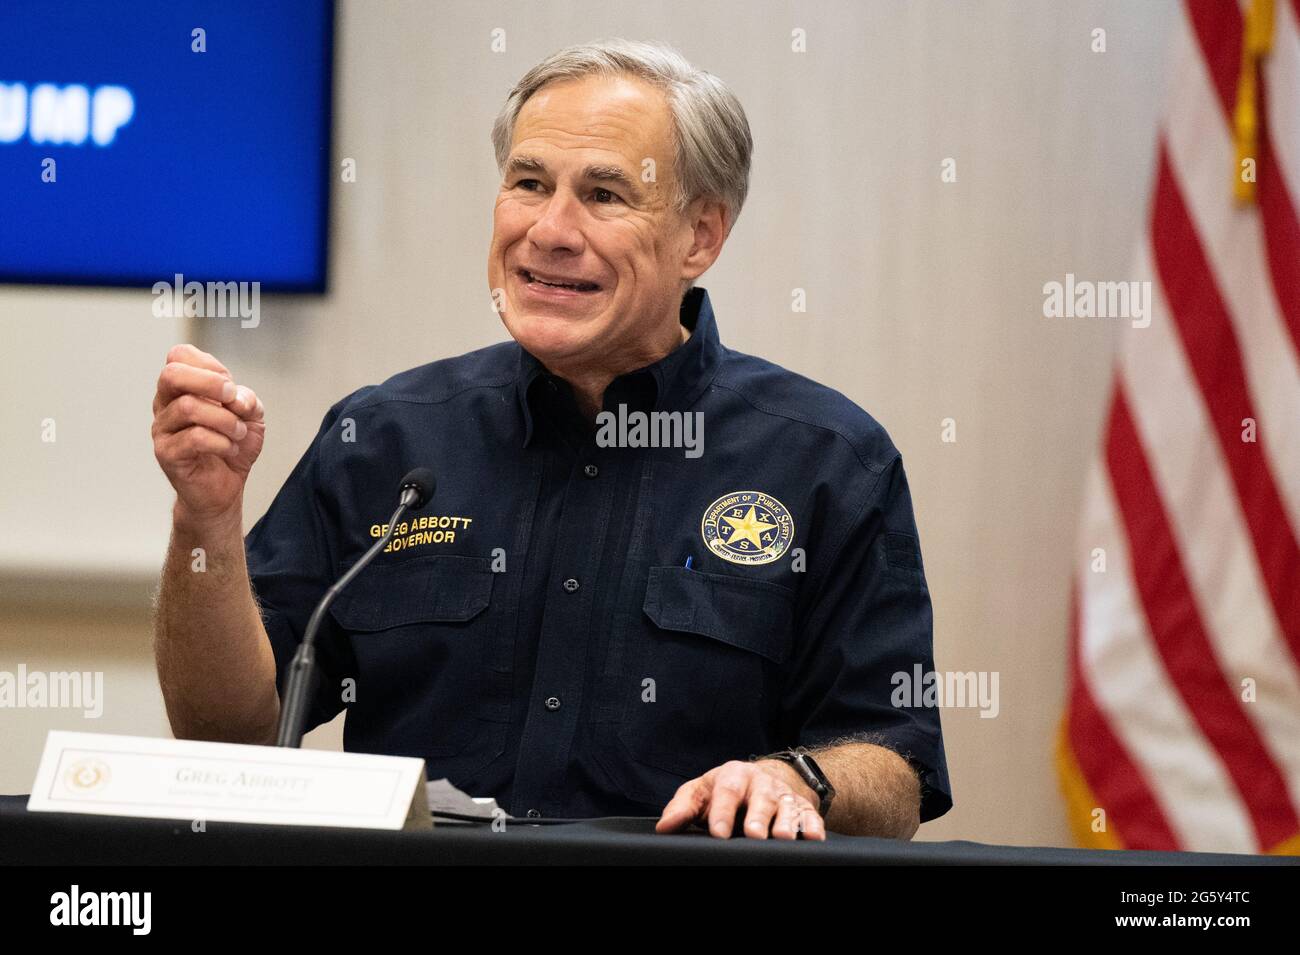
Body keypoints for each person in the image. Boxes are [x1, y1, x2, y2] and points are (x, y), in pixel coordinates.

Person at [151, 38, 950, 841]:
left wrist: (794, 776)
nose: (550, 229)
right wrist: (206, 522)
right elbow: (229, 733)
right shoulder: (385, 436)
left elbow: (896, 771)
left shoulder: (827, 459)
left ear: (700, 237)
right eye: (528, 184)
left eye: (605, 194)